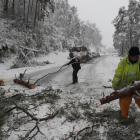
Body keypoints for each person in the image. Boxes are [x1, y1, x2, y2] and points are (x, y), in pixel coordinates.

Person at [112, 46, 140, 120]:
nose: (138, 58)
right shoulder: (123, 62)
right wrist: (114, 85)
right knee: (124, 104)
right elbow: (118, 73)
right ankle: (124, 119)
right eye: (136, 56)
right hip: (125, 87)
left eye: (138, 56)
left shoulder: (139, 60)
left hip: (137, 87)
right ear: (130, 56)